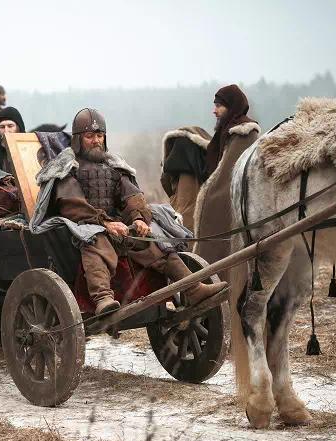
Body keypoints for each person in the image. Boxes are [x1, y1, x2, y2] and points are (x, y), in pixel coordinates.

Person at [49, 108, 225, 314]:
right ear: (78, 138)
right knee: (95, 242)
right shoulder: (67, 167)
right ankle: (103, 299)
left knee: (157, 243)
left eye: (99, 135)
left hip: (119, 227)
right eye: (89, 136)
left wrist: (139, 218)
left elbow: (132, 196)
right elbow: (73, 205)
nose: (96, 140)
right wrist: (105, 223)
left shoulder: (113, 165)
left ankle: (193, 288)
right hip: (85, 227)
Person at [193, 85, 260, 266]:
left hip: (235, 202)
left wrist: (210, 197)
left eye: (219, 106)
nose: (214, 111)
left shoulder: (244, 133)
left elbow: (230, 175)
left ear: (232, 106)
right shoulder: (226, 131)